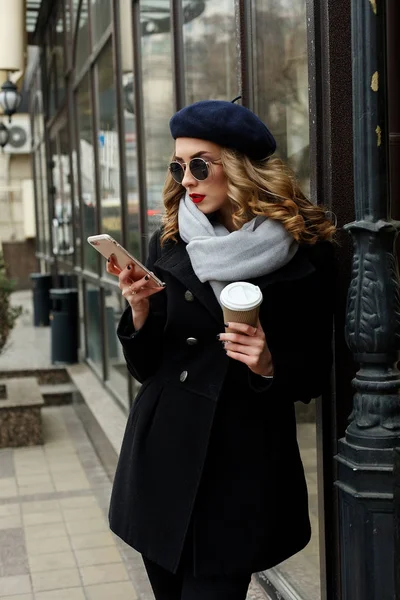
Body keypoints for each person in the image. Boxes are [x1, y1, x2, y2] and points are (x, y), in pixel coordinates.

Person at [107, 99, 336, 600]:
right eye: (177, 166)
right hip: (162, 462)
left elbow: (321, 370)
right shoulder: (169, 241)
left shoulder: (308, 247)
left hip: (240, 469)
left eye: (198, 164)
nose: (185, 179)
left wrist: (270, 363)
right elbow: (148, 368)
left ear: (239, 165)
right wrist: (140, 311)